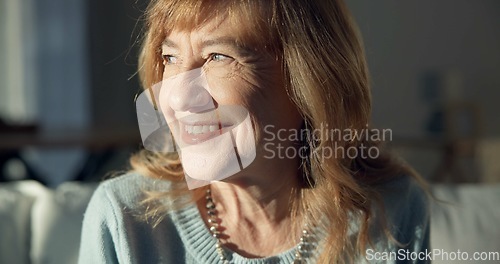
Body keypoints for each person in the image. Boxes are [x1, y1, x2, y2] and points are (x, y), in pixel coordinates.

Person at [78, 0, 430, 263]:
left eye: (218, 57)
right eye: (170, 58)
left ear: (311, 81)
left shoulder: (391, 211)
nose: (178, 96)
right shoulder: (125, 219)